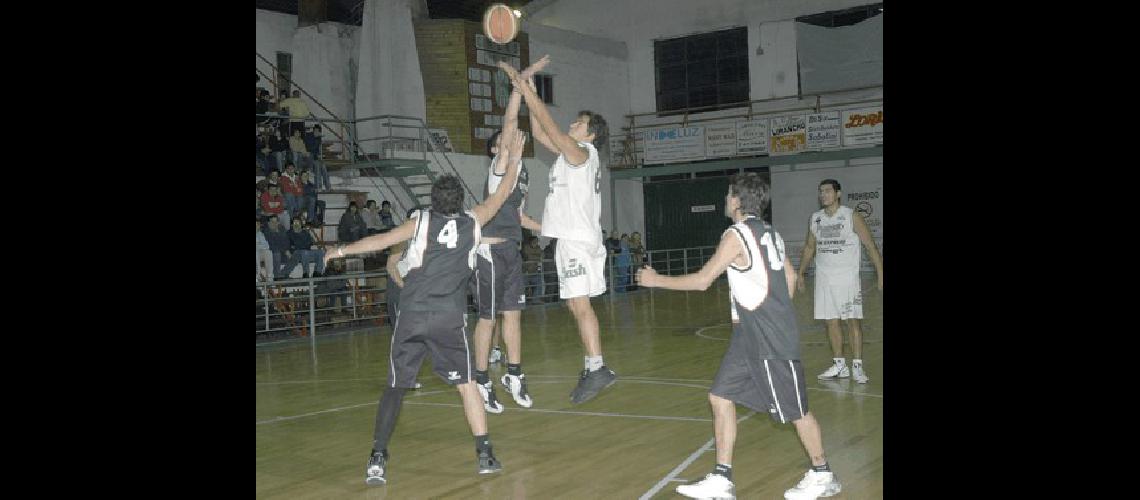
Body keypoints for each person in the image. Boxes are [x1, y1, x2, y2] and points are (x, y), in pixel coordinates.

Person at [326, 129, 526, 485]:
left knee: (396, 387)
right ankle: (485, 454)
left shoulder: (420, 222)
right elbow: (502, 193)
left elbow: (380, 241)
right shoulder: (473, 221)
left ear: (433, 200)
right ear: (459, 200)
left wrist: (339, 251)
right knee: (466, 384)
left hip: (413, 314)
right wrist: (513, 160)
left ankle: (377, 457)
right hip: (448, 318)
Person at [637, 173, 842, 500]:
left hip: (768, 338)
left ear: (737, 200)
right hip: (749, 335)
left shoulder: (735, 234)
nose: (725, 199)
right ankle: (722, 477)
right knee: (720, 397)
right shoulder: (769, 233)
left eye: (728, 195)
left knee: (796, 410)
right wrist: (768, 308)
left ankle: (822, 473)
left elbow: (703, 281)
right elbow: (789, 279)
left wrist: (656, 279)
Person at [500, 56, 616, 404]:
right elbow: (539, 132)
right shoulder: (573, 157)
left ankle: (597, 367)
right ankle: (593, 364)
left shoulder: (583, 153)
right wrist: (531, 89)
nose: (572, 125)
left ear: (590, 134)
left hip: (578, 243)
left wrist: (523, 90)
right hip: (575, 239)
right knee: (575, 306)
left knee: (580, 306)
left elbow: (550, 129)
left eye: (578, 123)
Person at [471, 56, 549, 414]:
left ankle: (514, 374)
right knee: (487, 319)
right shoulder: (500, 166)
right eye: (502, 139)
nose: (509, 137)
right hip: (488, 253)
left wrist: (556, 227)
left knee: (513, 316)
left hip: (512, 251)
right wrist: (517, 87)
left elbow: (519, 217)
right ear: (495, 149)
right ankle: (481, 378)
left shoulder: (524, 176)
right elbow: (508, 119)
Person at [796, 179, 883, 384]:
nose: (823, 195)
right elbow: (810, 247)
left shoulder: (851, 216)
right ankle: (839, 365)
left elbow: (870, 245)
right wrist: (800, 272)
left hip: (847, 280)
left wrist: (880, 272)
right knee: (831, 322)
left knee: (852, 322)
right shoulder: (815, 218)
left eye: (827, 191)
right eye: (820, 192)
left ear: (838, 193)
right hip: (824, 279)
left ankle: (857, 366)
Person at [262, 215, 292, 279]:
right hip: (271, 253)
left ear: (278, 222)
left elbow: (287, 241)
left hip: (282, 252)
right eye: (272, 222)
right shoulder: (266, 231)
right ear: (268, 223)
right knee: (277, 252)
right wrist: (285, 250)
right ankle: (277, 275)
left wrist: (287, 250)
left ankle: (284, 273)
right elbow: (272, 245)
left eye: (276, 221)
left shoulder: (282, 228)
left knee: (293, 256)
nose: (274, 223)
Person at [521, 234, 546, 304]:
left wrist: (534, 257)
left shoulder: (538, 248)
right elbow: (527, 257)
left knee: (538, 285)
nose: (536, 242)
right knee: (523, 287)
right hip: (525, 272)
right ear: (530, 241)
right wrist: (537, 257)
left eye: (537, 241)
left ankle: (536, 300)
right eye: (535, 241)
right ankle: (522, 302)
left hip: (535, 272)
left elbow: (542, 256)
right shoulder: (525, 247)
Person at [256, 218, 274, 282]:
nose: (256, 226)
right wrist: (259, 245)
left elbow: (267, 246)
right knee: (256, 253)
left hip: (260, 253)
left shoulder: (261, 234)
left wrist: (258, 245)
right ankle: (257, 275)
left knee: (268, 252)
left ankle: (269, 277)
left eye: (258, 224)